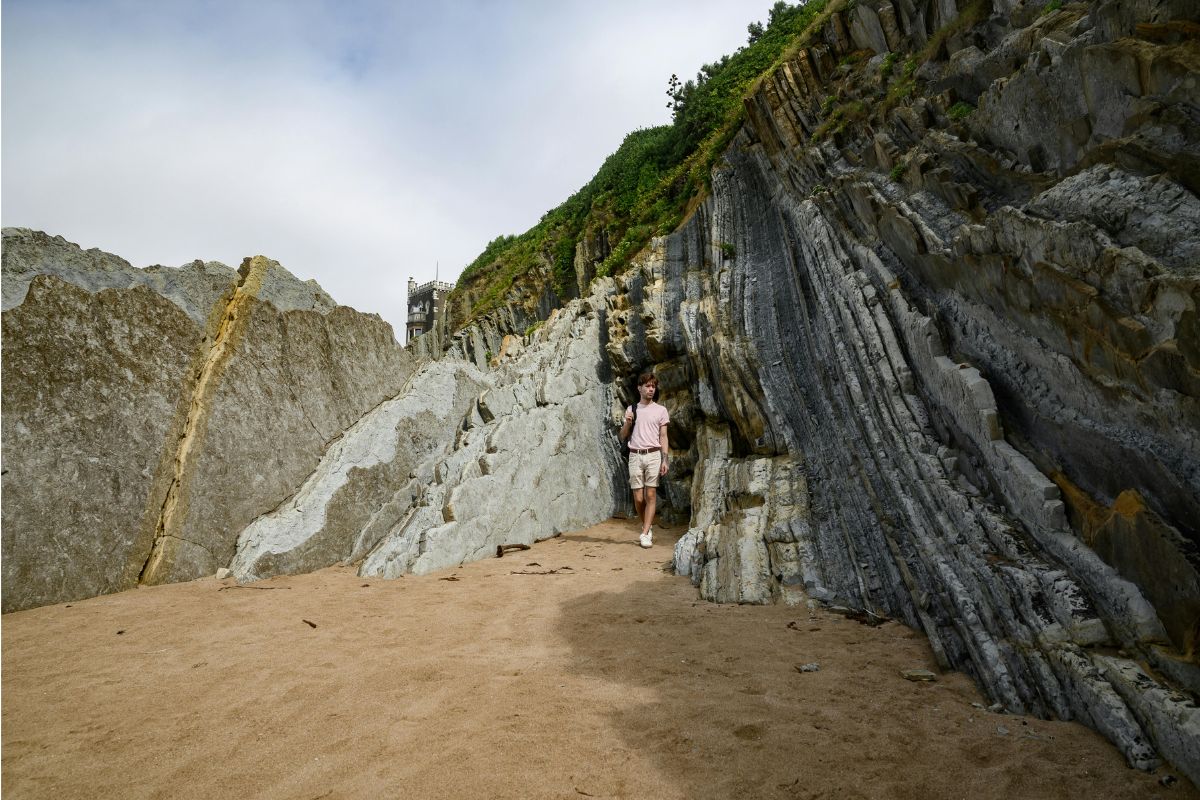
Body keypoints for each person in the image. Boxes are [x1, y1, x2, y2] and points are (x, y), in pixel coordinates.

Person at [619, 371, 670, 548]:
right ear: (639, 388)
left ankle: (645, 533)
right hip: (635, 455)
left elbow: (663, 436)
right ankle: (646, 527)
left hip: (654, 455)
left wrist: (665, 459)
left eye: (653, 386)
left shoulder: (661, 410)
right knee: (639, 498)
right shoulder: (632, 409)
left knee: (650, 494)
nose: (651, 389)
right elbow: (622, 436)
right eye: (647, 386)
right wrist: (628, 423)